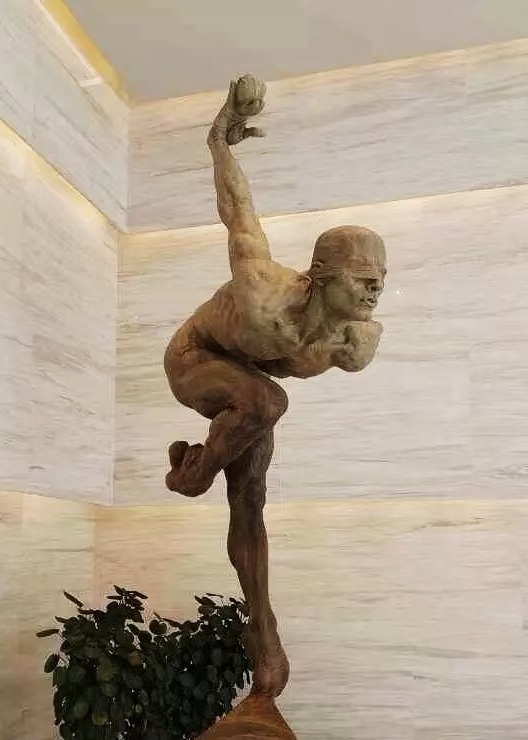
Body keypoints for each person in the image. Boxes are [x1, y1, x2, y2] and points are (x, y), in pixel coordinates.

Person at [164, 75, 386, 698]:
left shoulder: (351, 345)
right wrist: (219, 141)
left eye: (382, 278)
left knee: (251, 500)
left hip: (248, 391)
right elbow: (238, 212)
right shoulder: (265, 295)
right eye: (363, 277)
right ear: (320, 276)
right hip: (195, 359)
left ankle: (263, 630)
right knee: (269, 400)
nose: (376, 290)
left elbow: (286, 376)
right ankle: (194, 474)